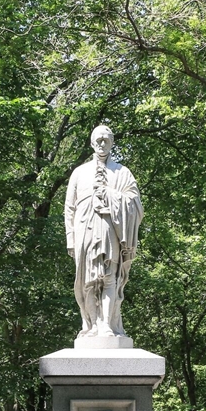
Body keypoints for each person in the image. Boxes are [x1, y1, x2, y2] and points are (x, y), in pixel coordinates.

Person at [65, 125, 143, 341]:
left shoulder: (123, 172)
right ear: (91, 142)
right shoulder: (79, 173)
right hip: (84, 231)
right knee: (88, 281)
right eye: (98, 140)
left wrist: (110, 195)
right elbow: (69, 208)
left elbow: (135, 203)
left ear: (112, 143)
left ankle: (107, 325)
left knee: (109, 278)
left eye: (106, 140)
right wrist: (70, 239)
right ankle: (91, 326)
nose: (101, 144)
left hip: (111, 230)